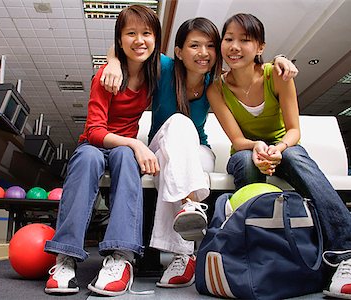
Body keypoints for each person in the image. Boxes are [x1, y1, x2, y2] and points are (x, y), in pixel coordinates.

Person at [102, 17, 298, 288]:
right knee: (179, 124)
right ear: (180, 52)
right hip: (159, 146)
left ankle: (184, 241)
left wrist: (280, 58)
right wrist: (112, 60)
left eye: (209, 46)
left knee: (175, 168)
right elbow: (132, 48)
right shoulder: (164, 68)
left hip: (198, 152)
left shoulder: (215, 85)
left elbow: (257, 66)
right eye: (194, 45)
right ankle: (185, 245)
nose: (203, 53)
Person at [207, 13, 351, 300]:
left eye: (244, 40)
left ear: (260, 47)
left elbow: (294, 130)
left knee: (295, 158)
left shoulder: (277, 74)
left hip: (284, 146)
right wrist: (257, 147)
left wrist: (278, 149)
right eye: (228, 39)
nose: (234, 46)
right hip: (247, 150)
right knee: (246, 163)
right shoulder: (217, 88)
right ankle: (255, 254)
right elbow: (236, 139)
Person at [43, 5, 161, 296]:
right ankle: (66, 257)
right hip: (95, 144)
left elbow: (198, 63)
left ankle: (121, 257)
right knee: (88, 157)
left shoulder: (156, 72)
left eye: (146, 33)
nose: (139, 40)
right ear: (120, 39)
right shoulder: (106, 77)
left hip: (120, 151)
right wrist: (111, 62)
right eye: (130, 33)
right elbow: (95, 131)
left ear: (156, 39)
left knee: (125, 158)